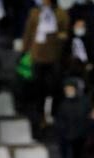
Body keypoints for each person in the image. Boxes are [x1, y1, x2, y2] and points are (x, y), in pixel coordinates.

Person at [22, 0, 69, 136]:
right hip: (37, 56)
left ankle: (53, 114)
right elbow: (28, 32)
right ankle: (39, 118)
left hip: (54, 56)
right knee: (37, 89)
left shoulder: (61, 14)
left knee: (54, 87)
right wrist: (25, 51)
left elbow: (65, 33)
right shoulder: (35, 13)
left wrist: (59, 37)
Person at [54, 78, 90, 158]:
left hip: (81, 139)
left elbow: (87, 119)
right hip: (67, 139)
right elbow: (60, 123)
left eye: (70, 89)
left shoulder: (84, 103)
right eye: (67, 89)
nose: (68, 92)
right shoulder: (63, 105)